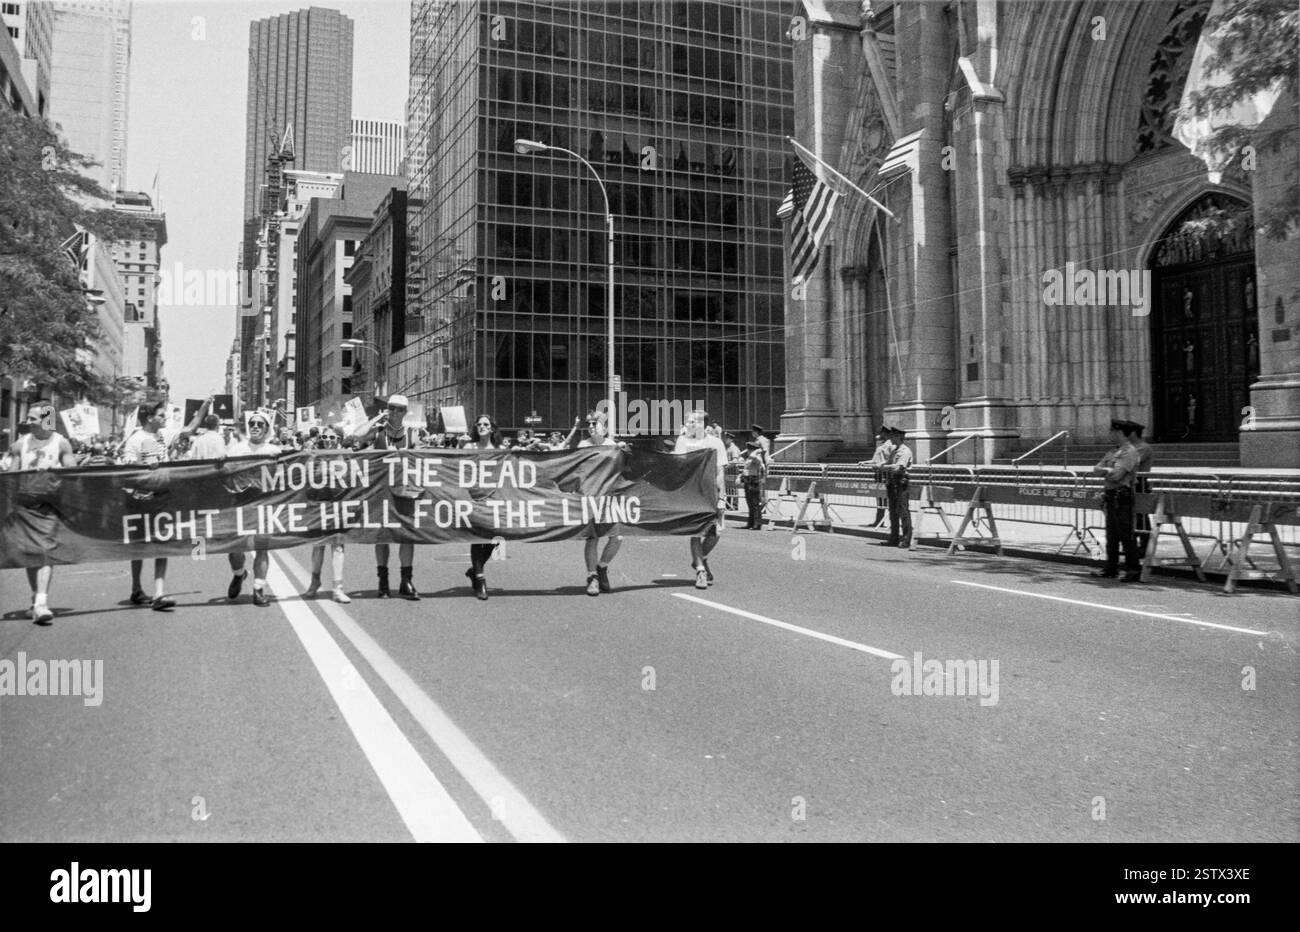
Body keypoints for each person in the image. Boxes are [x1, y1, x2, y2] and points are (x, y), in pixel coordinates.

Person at [4, 401, 77, 624]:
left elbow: (73, 472)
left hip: (49, 506)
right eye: (29, 418)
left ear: (47, 419)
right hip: (25, 506)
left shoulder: (61, 443)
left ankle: (41, 603)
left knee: (45, 551)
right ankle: (36, 599)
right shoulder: (19, 445)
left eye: (33, 418)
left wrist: (54, 471)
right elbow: (10, 477)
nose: (29, 422)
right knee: (30, 554)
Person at [353, 393, 421, 599]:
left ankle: (406, 581)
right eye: (391, 408)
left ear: (405, 412)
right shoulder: (378, 432)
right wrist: (376, 418)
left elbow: (420, 459)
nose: (394, 412)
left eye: (399, 409)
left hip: (404, 490)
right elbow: (357, 436)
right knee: (381, 536)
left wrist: (402, 457)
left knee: (406, 536)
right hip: (381, 492)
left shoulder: (412, 434)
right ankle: (383, 581)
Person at [121, 403, 176, 610]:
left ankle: (159, 592)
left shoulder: (162, 436)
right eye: (161, 415)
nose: (165, 418)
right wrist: (145, 468)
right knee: (140, 546)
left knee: (162, 543)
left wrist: (205, 406)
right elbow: (128, 469)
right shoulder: (135, 440)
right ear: (149, 417)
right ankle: (136, 589)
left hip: (162, 499)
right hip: (141, 501)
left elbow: (188, 429)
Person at [225, 410, 283, 606]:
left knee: (262, 548)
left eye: (260, 424)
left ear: (267, 428)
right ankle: (239, 574)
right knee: (235, 549)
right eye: (252, 424)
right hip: (240, 506)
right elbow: (223, 473)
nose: (255, 427)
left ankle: (258, 589)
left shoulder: (275, 451)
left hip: (264, 505)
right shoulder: (235, 450)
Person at [674, 409, 729, 589]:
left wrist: (722, 497)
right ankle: (700, 571)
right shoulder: (682, 441)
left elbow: (720, 472)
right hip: (692, 494)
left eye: (693, 422)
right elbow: (678, 466)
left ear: (703, 425)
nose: (689, 425)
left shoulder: (715, 443)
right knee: (697, 532)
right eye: (688, 422)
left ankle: (701, 558)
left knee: (716, 533)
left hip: (711, 493)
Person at [577, 410, 629, 596]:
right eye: (589, 424)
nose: (591, 427)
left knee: (617, 537)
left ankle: (602, 567)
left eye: (595, 423)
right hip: (590, 498)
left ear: (605, 428)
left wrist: (624, 451)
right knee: (593, 538)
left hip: (609, 498)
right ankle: (592, 577)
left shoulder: (612, 445)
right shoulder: (583, 445)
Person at [1091, 418, 1143, 582]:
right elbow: (1095, 469)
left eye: (1112, 431)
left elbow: (1117, 475)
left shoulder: (1130, 452)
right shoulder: (1113, 452)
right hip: (1111, 495)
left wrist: (1106, 470)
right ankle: (1111, 568)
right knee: (1112, 535)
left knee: (1126, 535)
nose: (1110, 434)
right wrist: (1108, 469)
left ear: (1119, 432)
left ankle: (1133, 569)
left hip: (1123, 496)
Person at [462, 414, 504, 599]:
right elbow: (455, 465)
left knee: (499, 537)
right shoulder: (469, 447)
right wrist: (457, 447)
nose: (482, 426)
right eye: (479, 424)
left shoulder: (500, 449)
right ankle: (480, 580)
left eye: (486, 424)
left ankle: (474, 570)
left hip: (495, 498)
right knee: (477, 537)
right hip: (474, 498)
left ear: (492, 428)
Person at [877, 426, 914, 548]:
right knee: (893, 511)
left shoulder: (905, 451)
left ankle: (906, 539)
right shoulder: (894, 450)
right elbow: (887, 463)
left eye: (892, 436)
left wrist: (883, 467)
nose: (890, 438)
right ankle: (894, 538)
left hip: (901, 482)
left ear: (898, 437)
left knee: (903, 511)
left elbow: (898, 468)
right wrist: (879, 465)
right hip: (892, 482)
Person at [1131, 423, 1155, 557]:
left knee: (1141, 516)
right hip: (1130, 483)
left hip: (1140, 483)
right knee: (1132, 515)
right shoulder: (1128, 448)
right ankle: (1133, 544)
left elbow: (1130, 463)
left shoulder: (1143, 447)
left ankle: (1144, 546)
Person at [740, 440, 767, 529]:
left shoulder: (756, 458)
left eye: (749, 449)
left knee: (755, 503)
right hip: (748, 480)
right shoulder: (749, 458)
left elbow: (759, 463)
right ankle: (750, 523)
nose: (747, 451)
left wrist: (756, 451)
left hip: (754, 480)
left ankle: (757, 523)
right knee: (750, 503)